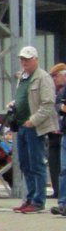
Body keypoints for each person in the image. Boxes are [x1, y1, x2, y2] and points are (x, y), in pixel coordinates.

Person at [8, 45, 58, 213]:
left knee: (36, 163)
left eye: (27, 59)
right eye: (22, 59)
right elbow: (23, 98)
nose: (24, 62)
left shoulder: (43, 78)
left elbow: (48, 104)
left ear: (36, 59)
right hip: (21, 126)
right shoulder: (22, 77)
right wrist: (14, 104)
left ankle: (38, 201)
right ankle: (29, 198)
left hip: (34, 127)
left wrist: (33, 120)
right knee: (24, 163)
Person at [48, 63, 66, 200]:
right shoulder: (54, 91)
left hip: (61, 130)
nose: (54, 79)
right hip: (55, 131)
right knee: (56, 165)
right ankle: (59, 194)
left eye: (55, 76)